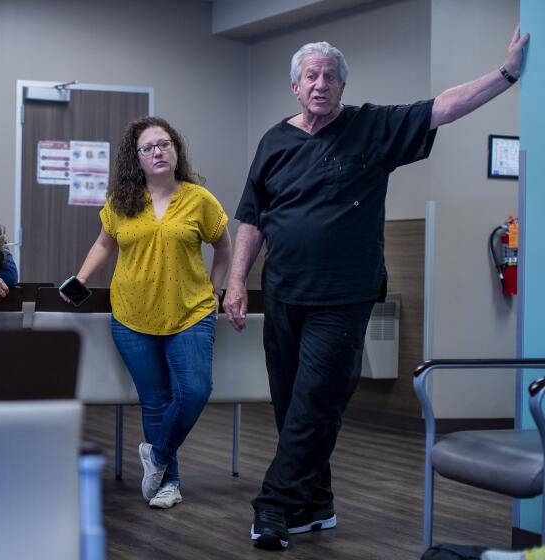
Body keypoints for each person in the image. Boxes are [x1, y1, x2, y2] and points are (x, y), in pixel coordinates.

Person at [223, 26, 530, 550]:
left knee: (316, 400)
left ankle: (274, 508)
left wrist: (506, 75)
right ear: (295, 86)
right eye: (310, 76)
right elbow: (251, 216)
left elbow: (444, 107)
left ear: (342, 85)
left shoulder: (373, 127)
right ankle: (316, 504)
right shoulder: (274, 141)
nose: (321, 84)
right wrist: (236, 282)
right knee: (290, 404)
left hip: (344, 297)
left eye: (330, 76)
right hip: (282, 292)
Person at [66, 116, 232, 509]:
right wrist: (81, 279)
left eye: (164, 144)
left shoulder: (199, 199)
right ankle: (168, 483)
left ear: (176, 150)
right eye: (147, 147)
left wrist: (217, 288)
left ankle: (155, 456)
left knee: (194, 390)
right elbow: (104, 246)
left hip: (191, 312)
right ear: (135, 158)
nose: (157, 152)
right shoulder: (122, 202)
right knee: (155, 400)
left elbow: (224, 246)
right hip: (132, 316)